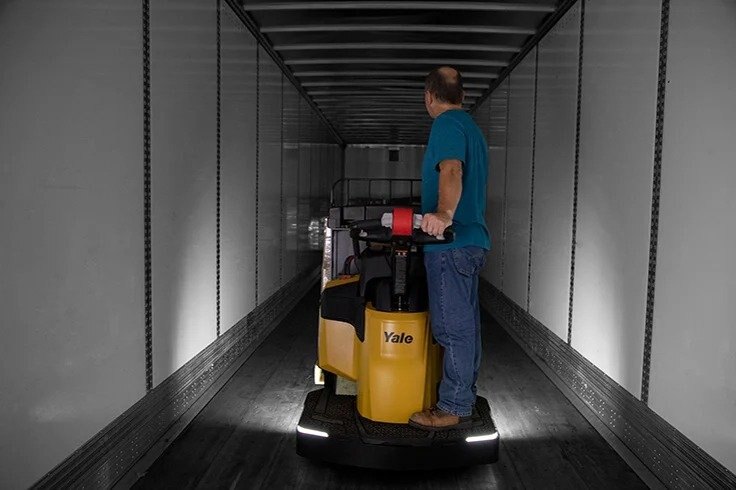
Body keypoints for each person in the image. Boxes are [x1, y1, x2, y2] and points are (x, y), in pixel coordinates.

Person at [409, 66, 491, 429]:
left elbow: (452, 170)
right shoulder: (471, 128)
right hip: (471, 242)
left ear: (429, 96)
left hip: (450, 244)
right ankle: (463, 397)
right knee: (466, 327)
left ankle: (452, 407)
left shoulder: (445, 124)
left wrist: (443, 213)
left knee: (452, 328)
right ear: (462, 96)